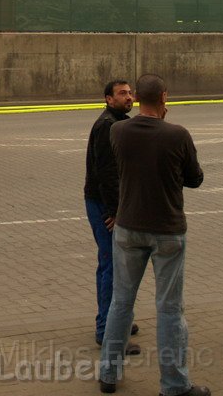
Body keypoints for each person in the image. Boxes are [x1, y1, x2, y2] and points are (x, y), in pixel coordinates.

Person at [98, 74, 208, 396]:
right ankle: (174, 384)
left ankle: (108, 373)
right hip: (167, 230)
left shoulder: (118, 131)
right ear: (164, 97)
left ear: (138, 99)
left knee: (121, 301)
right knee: (170, 309)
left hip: (128, 227)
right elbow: (195, 178)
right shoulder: (177, 135)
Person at [84, 80, 140, 353]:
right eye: (122, 93)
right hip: (103, 204)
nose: (128, 97)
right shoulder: (108, 126)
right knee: (112, 266)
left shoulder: (117, 122)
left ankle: (117, 321)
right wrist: (114, 211)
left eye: (130, 93)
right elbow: (107, 173)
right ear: (108, 98)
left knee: (109, 264)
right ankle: (107, 331)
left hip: (103, 202)